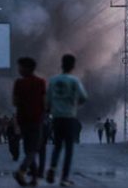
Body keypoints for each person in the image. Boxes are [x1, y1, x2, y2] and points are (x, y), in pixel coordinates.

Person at [46, 54, 88, 187]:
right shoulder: (74, 81)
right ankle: (64, 178)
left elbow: (47, 101)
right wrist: (75, 103)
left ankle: (52, 168)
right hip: (69, 117)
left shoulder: (53, 80)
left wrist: (52, 108)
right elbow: (83, 97)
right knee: (69, 148)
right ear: (73, 66)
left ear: (61, 64)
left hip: (57, 118)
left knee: (57, 146)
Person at [12, 57, 47, 186]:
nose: (19, 69)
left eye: (20, 67)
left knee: (28, 149)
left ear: (27, 68)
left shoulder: (19, 83)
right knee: (34, 149)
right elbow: (45, 101)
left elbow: (14, 102)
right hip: (37, 120)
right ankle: (22, 170)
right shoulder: (41, 82)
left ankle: (34, 178)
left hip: (23, 120)